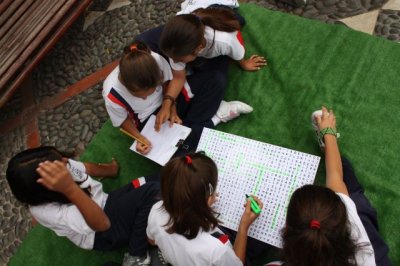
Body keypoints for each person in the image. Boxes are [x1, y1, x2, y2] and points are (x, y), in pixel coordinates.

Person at [266, 106, 391, 266]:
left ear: (287, 233)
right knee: (356, 197)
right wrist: (329, 135)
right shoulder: (355, 231)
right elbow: (335, 175)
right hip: (375, 260)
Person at [6, 146, 160, 266]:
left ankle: (144, 226)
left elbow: (86, 168)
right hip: (102, 233)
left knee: (161, 179)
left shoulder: (60, 164)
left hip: (107, 202)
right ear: (46, 187)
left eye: (62, 158)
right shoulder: (45, 211)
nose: (66, 162)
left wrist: (111, 170)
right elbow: (102, 224)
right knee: (152, 191)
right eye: (61, 163)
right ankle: (136, 256)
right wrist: (70, 189)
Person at [103, 40, 254, 155]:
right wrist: (139, 138)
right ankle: (216, 117)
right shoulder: (112, 95)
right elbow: (123, 121)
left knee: (215, 80)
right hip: (151, 121)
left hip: (170, 99)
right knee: (175, 155)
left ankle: (188, 131)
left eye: (153, 89)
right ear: (128, 87)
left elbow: (170, 83)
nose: (149, 96)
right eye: (143, 95)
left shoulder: (153, 59)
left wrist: (170, 106)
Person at [136, 4, 266, 130]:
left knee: (217, 78)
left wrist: (244, 63)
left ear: (199, 49)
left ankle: (212, 117)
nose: (174, 62)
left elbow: (237, 51)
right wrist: (167, 104)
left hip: (219, 18)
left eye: (179, 59)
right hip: (194, 22)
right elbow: (178, 77)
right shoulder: (176, 47)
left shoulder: (223, 41)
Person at [146, 152, 264, 265]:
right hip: (222, 257)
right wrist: (244, 226)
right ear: (207, 200)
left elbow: (151, 240)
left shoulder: (156, 210)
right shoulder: (216, 249)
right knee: (258, 244)